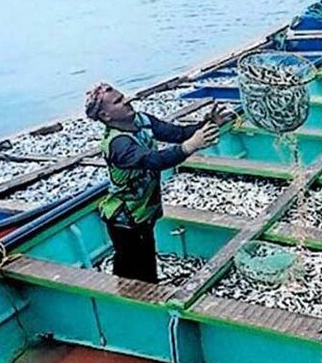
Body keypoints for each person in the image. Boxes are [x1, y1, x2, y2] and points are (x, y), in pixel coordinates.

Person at [85, 83, 227, 283]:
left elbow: (177, 133)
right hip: (125, 220)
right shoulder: (118, 144)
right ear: (106, 116)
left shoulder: (142, 120)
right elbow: (154, 161)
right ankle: (132, 305)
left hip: (144, 213)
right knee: (131, 269)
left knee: (146, 261)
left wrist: (205, 125)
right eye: (118, 101)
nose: (127, 100)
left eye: (123, 96)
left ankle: (147, 291)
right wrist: (190, 146)